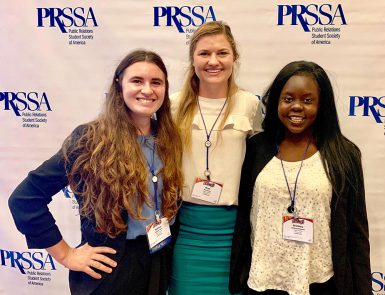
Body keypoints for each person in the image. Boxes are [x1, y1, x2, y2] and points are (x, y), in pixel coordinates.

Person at [8, 49, 184, 295]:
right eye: (137, 81)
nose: (147, 90)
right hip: (111, 270)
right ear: (119, 85)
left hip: (158, 260)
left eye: (156, 82)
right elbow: (25, 199)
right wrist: (67, 255)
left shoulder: (168, 138)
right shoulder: (90, 140)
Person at [230, 61, 371, 295]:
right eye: (288, 99)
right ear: (276, 101)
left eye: (307, 100)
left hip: (319, 282)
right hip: (263, 280)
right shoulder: (256, 148)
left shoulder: (344, 155)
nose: (296, 107)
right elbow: (245, 216)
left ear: (321, 105)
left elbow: (357, 233)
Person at [168, 21, 263, 295]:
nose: (213, 61)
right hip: (187, 234)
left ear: (235, 57)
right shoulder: (172, 105)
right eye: (204, 53)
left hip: (235, 235)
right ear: (192, 59)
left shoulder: (250, 104)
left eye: (222, 53)